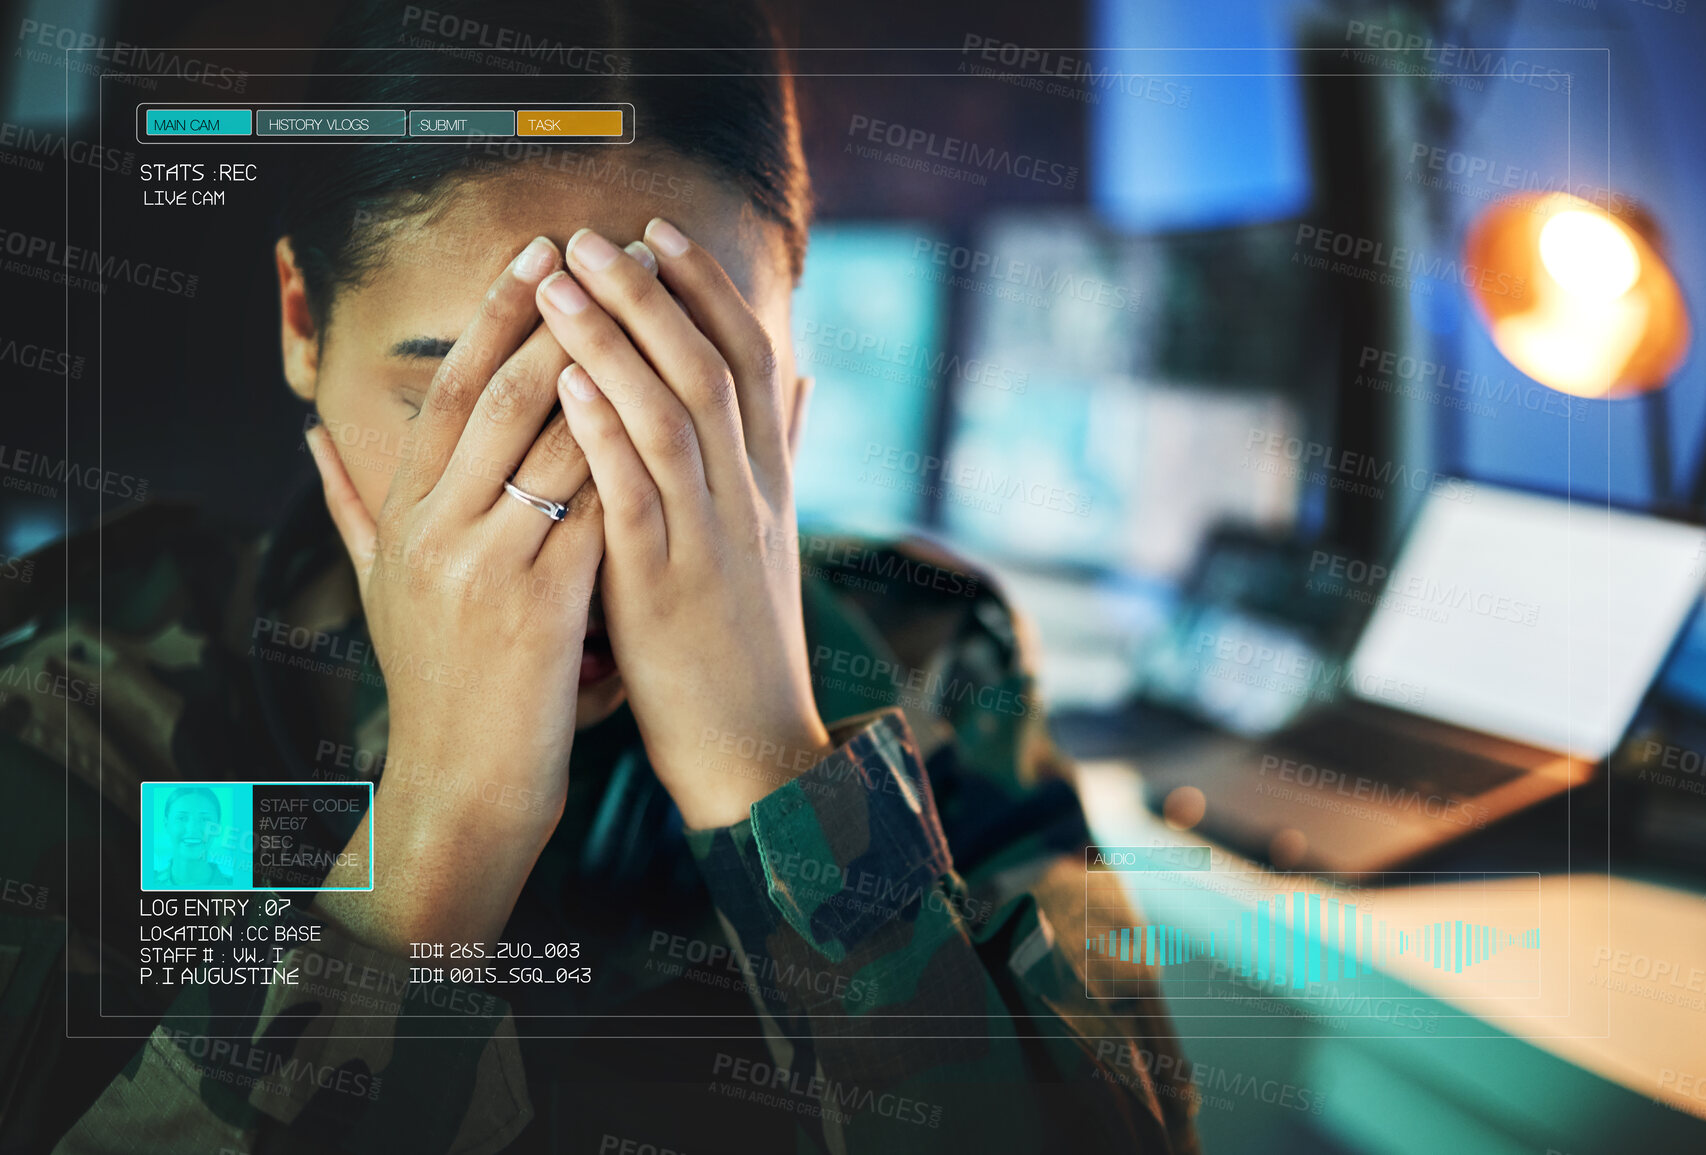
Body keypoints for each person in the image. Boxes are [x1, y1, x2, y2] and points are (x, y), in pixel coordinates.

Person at [0, 1, 1200, 1151]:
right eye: (470, 409)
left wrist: (771, 767)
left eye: (673, 405)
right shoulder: (81, 691)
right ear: (303, 321)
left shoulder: (932, 662)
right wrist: (441, 830)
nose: (574, 516)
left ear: (782, 383)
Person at [152, 786, 236, 889]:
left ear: (217, 828)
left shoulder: (238, 888)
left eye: (204, 819)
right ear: (166, 824)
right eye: (182, 818)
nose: (192, 829)